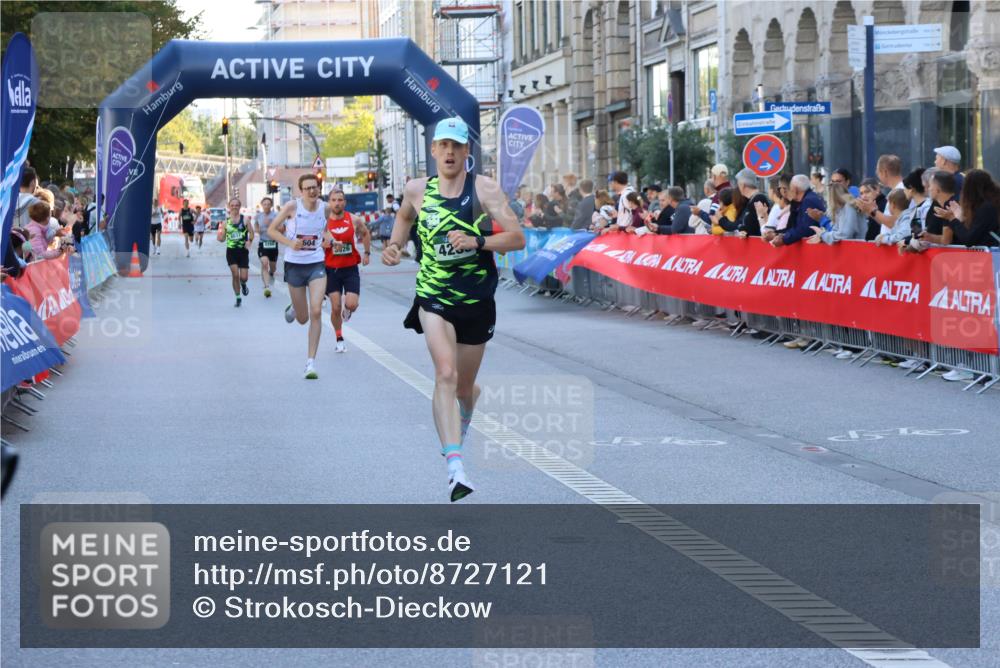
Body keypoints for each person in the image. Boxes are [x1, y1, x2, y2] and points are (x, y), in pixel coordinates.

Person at [381, 116, 525, 502]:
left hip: (476, 300)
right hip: (433, 296)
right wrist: (395, 245)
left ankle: (462, 414)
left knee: (464, 386)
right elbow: (404, 219)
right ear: (433, 150)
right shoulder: (416, 190)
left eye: (456, 146)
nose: (449, 152)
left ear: (466, 152)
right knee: (444, 372)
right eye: (442, 145)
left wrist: (478, 241)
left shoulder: (484, 190)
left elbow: (517, 238)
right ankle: (455, 467)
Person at [267, 174, 333, 380]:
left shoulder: (326, 208)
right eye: (307, 188)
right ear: (301, 191)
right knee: (303, 318)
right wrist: (289, 242)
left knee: (316, 311)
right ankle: (295, 308)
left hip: (316, 263)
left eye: (315, 187)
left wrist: (329, 238)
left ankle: (310, 363)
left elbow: (326, 229)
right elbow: (271, 230)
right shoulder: (292, 207)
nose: (312, 191)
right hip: (295, 265)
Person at [324, 189, 371, 353]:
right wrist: (329, 244)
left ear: (344, 202)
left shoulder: (353, 219)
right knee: (335, 307)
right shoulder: (323, 222)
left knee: (352, 304)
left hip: (350, 268)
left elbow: (365, 233)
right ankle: (339, 338)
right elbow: (318, 243)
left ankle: (348, 310)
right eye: (334, 200)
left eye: (340, 200)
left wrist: (367, 253)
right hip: (331, 269)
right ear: (329, 202)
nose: (337, 203)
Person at [766, 174, 825, 247]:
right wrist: (777, 234)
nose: (787, 190)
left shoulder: (808, 201)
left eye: (789, 187)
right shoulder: (800, 202)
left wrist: (784, 239)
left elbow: (806, 229)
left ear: (795, 189)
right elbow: (793, 227)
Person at [216, 196, 254, 307]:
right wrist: (220, 238)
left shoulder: (245, 220)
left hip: (243, 252)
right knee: (235, 275)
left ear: (240, 207)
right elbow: (222, 238)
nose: (234, 207)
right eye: (232, 205)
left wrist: (249, 241)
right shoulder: (225, 223)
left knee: (244, 277)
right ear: (229, 207)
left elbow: (251, 233)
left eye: (236, 205)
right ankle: (238, 297)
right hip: (231, 252)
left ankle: (243, 284)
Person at [255, 196, 279, 298]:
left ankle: (271, 273)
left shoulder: (276, 215)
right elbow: (256, 226)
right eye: (264, 204)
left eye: (268, 204)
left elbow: (281, 229)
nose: (266, 206)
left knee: (273, 267)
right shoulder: (258, 216)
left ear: (271, 205)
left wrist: (272, 225)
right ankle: (266, 287)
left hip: (273, 243)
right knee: (264, 263)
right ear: (262, 205)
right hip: (263, 243)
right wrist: (258, 230)